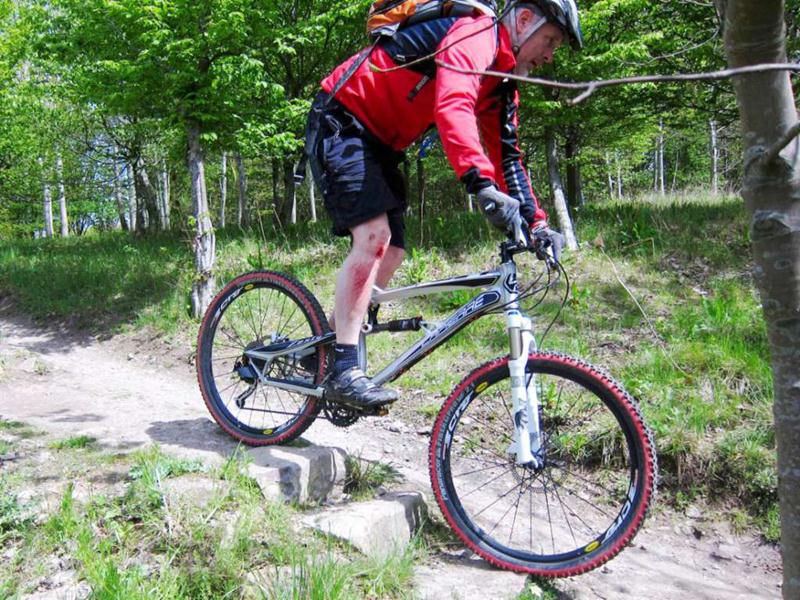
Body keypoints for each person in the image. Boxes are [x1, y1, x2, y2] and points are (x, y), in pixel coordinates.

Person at [304, 0, 583, 408]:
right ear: (525, 20)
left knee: (393, 252)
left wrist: (536, 223)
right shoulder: (476, 34)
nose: (549, 56)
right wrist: (479, 183)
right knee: (374, 237)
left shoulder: (501, 83)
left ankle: (322, 351)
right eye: (551, 40)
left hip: (381, 144)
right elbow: (453, 104)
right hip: (343, 118)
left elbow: (508, 158)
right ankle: (344, 370)